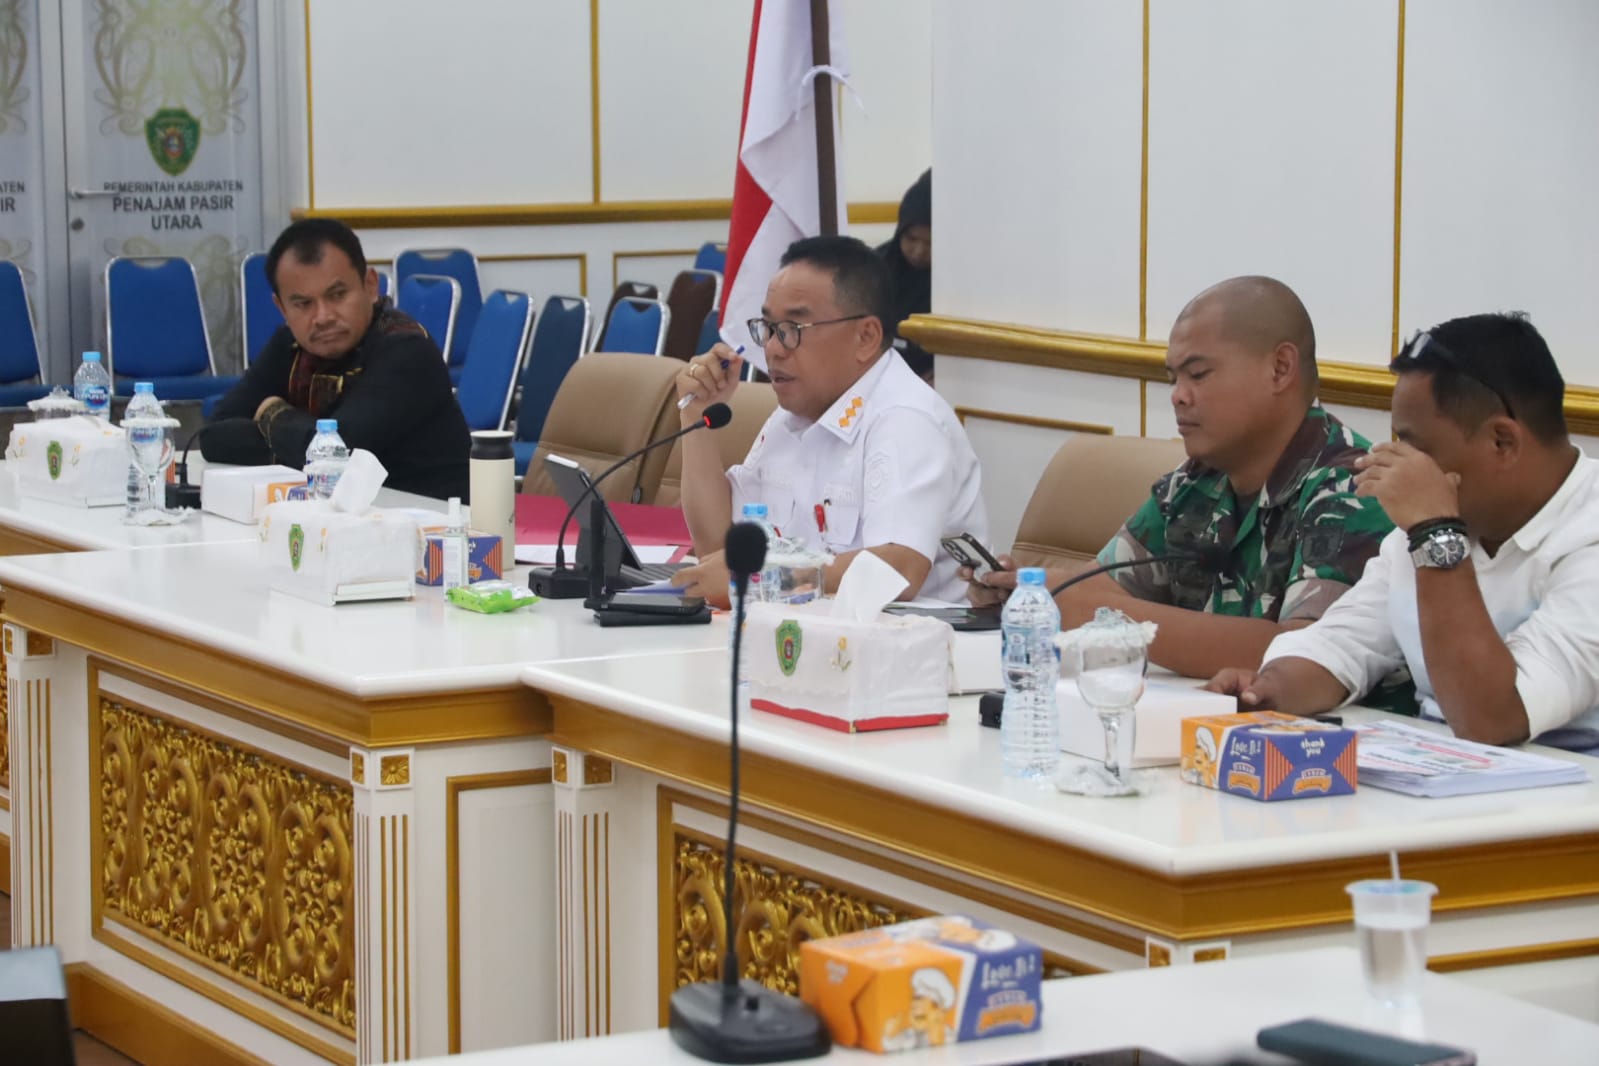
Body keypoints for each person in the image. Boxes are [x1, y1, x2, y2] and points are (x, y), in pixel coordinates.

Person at [968, 276, 1395, 679]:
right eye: (1173, 378)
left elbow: (1304, 653)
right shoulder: (1195, 483)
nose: (1178, 395)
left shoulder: (1353, 488)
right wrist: (1026, 591)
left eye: (1198, 374)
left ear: (1280, 368)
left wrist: (1109, 618)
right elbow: (1100, 587)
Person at [1208, 313, 1599, 750]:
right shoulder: (1448, 520)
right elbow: (1345, 641)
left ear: (1501, 442)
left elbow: (1494, 719)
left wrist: (1435, 533)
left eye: (1415, 447)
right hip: (1444, 789)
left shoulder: (1582, 533)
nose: (1393, 462)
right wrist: (1267, 692)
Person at [671, 234, 987, 608]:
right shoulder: (795, 414)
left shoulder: (905, 419)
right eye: (768, 327)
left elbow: (899, 570)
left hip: (905, 650)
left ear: (866, 337)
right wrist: (695, 411)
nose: (772, 348)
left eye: (792, 330)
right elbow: (718, 549)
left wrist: (766, 577)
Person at [202, 218, 470, 500]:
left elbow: (337, 457)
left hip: (434, 525)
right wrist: (301, 444)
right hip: (344, 521)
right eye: (303, 304)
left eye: (337, 295)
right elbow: (213, 438)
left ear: (370, 285)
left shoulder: (406, 349)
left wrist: (271, 413)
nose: (323, 317)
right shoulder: (290, 345)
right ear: (281, 307)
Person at [875, 168, 933, 381]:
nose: (919, 252)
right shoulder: (875, 267)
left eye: (930, 243)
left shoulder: (957, 281)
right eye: (911, 238)